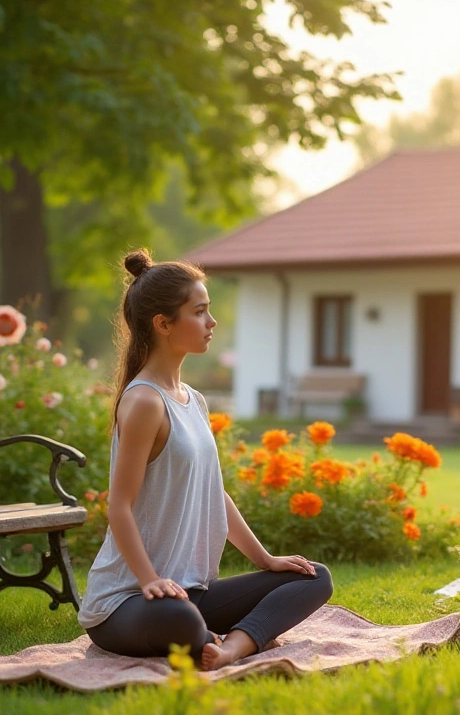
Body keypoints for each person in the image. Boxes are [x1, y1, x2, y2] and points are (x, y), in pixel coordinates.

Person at [79, 251, 332, 670]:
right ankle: (224, 638)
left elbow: (214, 493)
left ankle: (230, 647)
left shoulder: (193, 399)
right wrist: (150, 580)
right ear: (163, 324)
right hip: (126, 602)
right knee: (178, 616)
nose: (212, 323)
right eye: (200, 312)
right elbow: (118, 506)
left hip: (191, 592)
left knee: (312, 577)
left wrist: (265, 560)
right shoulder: (144, 401)